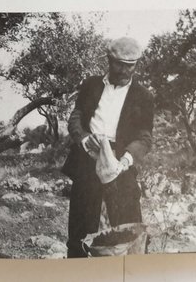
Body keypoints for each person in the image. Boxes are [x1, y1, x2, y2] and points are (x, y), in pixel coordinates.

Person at [61, 36, 154, 258]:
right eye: (119, 64)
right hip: (86, 158)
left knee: (129, 227)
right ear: (109, 60)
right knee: (80, 227)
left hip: (120, 161)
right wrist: (83, 138)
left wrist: (126, 160)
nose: (124, 70)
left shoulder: (143, 96)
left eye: (129, 66)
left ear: (136, 65)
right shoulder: (91, 85)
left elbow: (145, 137)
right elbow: (76, 117)